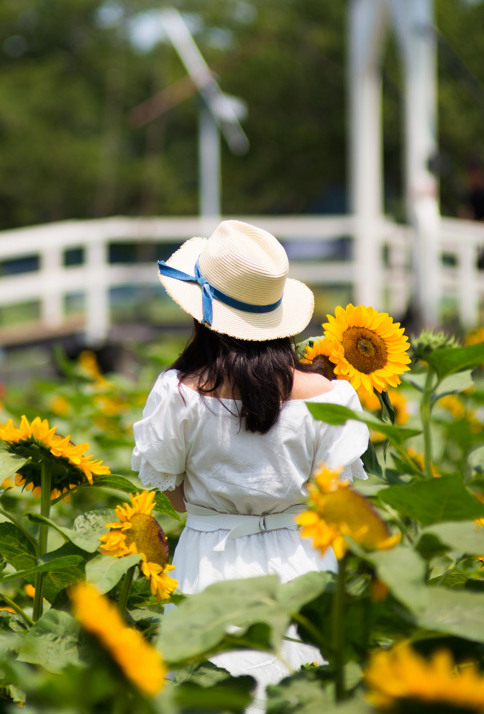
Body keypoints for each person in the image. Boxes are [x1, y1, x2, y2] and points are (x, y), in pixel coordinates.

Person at [131, 220, 369, 711]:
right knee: (305, 690)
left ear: (202, 316)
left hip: (211, 555)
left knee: (213, 692)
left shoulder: (180, 394)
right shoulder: (332, 395)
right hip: (305, 562)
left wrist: (222, 504)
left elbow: (169, 487)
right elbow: (337, 495)